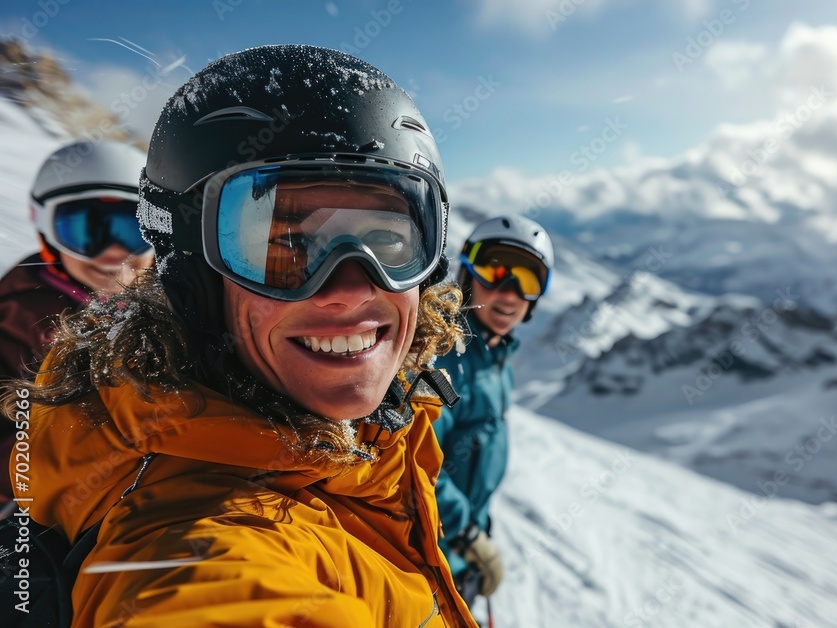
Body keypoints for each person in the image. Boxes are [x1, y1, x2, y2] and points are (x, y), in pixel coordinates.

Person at [4, 45, 477, 626]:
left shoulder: (376, 438)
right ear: (190, 273)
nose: (351, 289)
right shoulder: (191, 540)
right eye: (285, 246)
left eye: (387, 239)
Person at [0, 140, 151, 505]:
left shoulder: (174, 300)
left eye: (134, 230)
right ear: (46, 231)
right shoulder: (18, 326)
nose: (114, 252)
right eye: (85, 231)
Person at [433, 215, 554, 604]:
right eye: (495, 271)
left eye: (527, 281)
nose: (509, 292)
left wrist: (477, 527)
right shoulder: (446, 359)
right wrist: (467, 534)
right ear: (467, 275)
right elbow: (418, 460)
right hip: (431, 559)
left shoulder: (496, 358)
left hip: (459, 554)